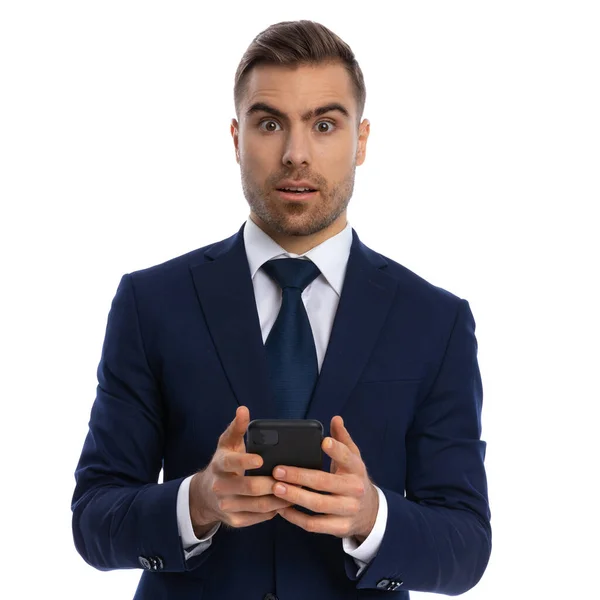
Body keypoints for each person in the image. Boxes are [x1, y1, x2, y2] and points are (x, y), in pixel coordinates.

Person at [72, 19, 491, 600]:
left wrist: (372, 516)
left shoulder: (435, 321)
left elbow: (466, 546)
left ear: (361, 140)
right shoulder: (151, 303)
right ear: (237, 138)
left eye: (324, 124)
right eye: (270, 123)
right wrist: (198, 501)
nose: (297, 154)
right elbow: (93, 519)